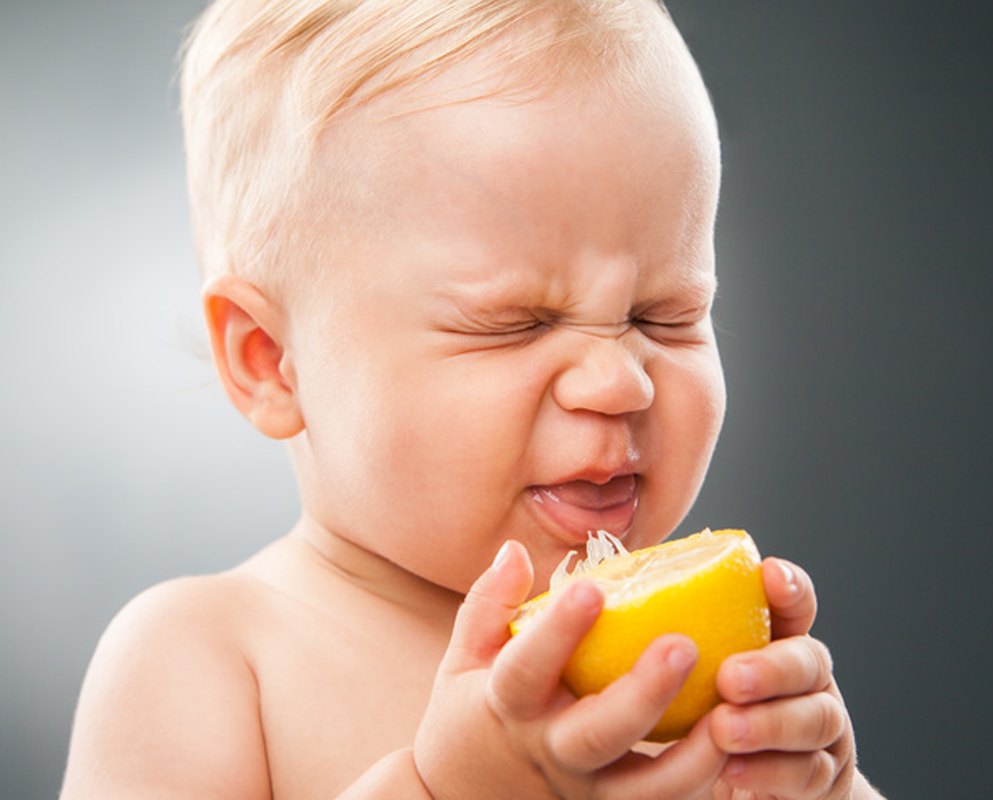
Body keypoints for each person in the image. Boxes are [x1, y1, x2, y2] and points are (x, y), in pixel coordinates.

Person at [61, 1, 884, 797]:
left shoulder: (681, 657)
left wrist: (826, 786)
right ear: (273, 360)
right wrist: (437, 788)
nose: (621, 381)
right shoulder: (204, 660)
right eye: (514, 324)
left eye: (665, 315)